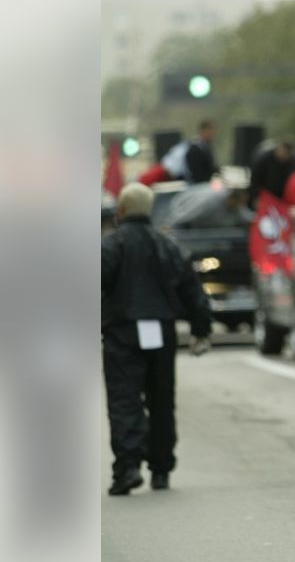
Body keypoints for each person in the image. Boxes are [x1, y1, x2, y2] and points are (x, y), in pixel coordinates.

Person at [101, 183, 213, 496]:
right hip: (162, 332)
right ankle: (161, 468)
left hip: (122, 333)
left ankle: (128, 466)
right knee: (162, 399)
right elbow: (192, 290)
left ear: (121, 210)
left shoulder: (111, 246)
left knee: (125, 400)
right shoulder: (169, 246)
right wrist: (201, 329)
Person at [248, 138, 295, 208]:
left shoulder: (292, 162)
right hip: (264, 196)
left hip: (282, 199)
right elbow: (254, 179)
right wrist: (255, 197)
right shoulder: (264, 159)